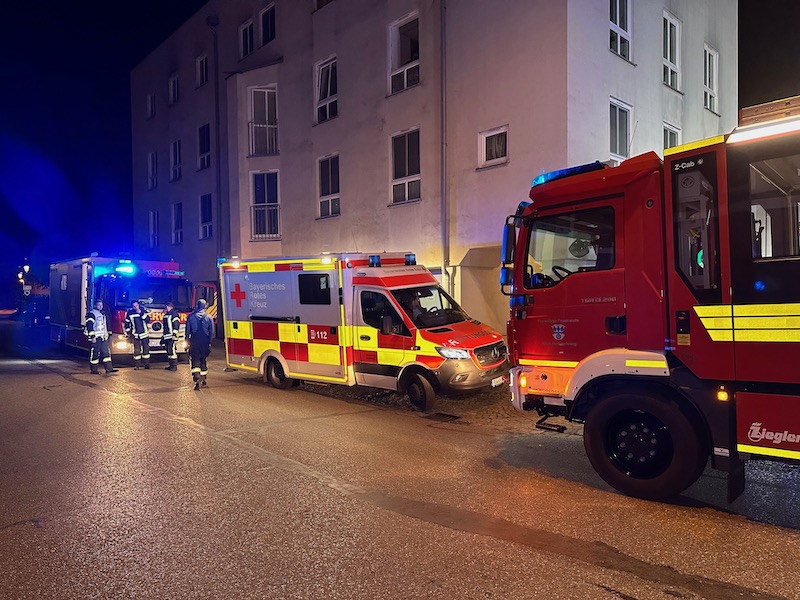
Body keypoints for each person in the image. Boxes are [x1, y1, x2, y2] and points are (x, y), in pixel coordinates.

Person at [186, 298, 214, 390]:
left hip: (194, 341)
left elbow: (187, 332)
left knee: (195, 360)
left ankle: (196, 377)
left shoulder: (191, 317)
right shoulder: (209, 317)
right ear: (204, 306)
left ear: (197, 306)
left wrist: (187, 342)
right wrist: (209, 343)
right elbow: (211, 332)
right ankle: (203, 378)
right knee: (203, 359)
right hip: (205, 342)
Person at [85, 299, 118, 375]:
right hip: (96, 338)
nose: (100, 306)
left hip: (102, 337)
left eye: (101, 305)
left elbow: (104, 326)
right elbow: (89, 325)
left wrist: (106, 335)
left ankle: (109, 369)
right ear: (95, 305)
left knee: (106, 353)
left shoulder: (102, 314)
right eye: (99, 305)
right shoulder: (91, 314)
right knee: (95, 353)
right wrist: (92, 337)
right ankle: (94, 370)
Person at [124, 300, 151, 369]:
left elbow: (148, 320)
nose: (135, 307)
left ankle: (146, 364)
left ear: (138, 305)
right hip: (135, 334)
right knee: (136, 350)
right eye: (134, 306)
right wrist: (129, 332)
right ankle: (137, 365)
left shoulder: (143, 311)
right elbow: (127, 323)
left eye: (136, 305)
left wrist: (141, 313)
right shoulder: (130, 313)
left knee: (146, 350)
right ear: (132, 306)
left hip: (144, 334)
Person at [162, 301, 181, 371]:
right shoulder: (167, 315)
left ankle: (174, 366)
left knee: (172, 351)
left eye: (168, 306)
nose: (167, 308)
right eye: (166, 306)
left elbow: (176, 325)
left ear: (171, 307)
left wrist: (174, 334)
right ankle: (171, 365)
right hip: (167, 336)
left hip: (172, 336)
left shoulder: (174, 314)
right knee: (169, 351)